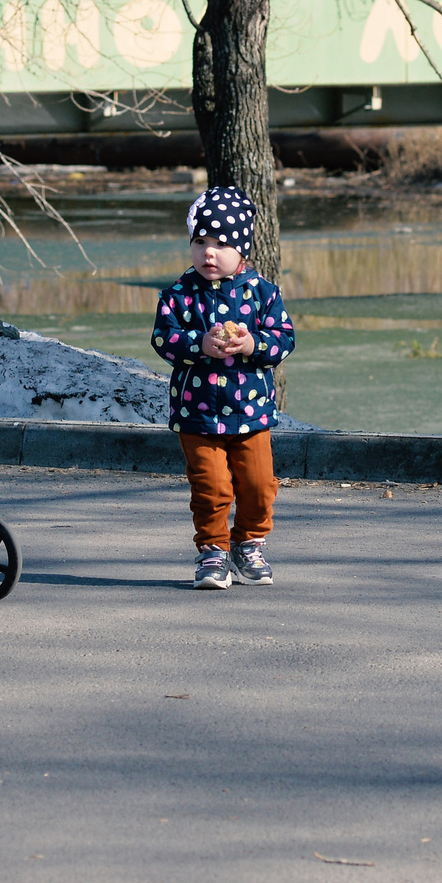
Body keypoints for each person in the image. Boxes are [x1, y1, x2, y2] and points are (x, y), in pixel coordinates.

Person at [149, 186, 296, 589]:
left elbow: (284, 338)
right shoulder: (179, 294)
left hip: (250, 412)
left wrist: (252, 344)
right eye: (200, 242)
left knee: (258, 484)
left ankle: (247, 543)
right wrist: (198, 344)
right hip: (197, 413)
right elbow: (163, 339)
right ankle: (212, 551)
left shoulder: (263, 292)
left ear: (242, 250)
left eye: (221, 244)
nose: (208, 253)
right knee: (211, 487)